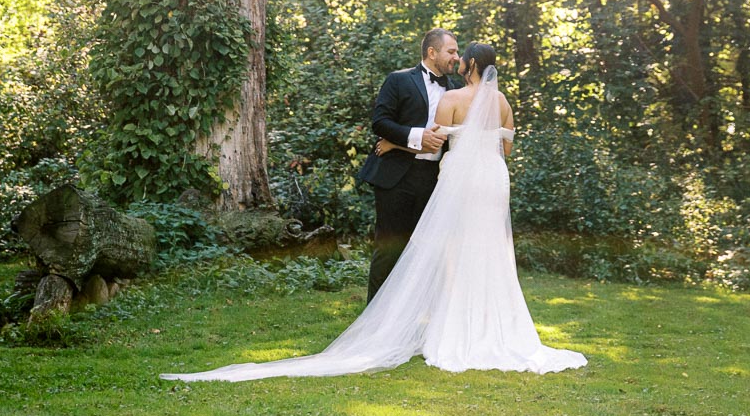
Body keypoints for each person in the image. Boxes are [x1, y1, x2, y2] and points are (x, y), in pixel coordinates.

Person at [160, 43, 587, 381]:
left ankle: (448, 329)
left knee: (449, 252)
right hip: (493, 177)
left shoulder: (454, 97)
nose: (456, 59)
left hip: (460, 177)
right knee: (488, 249)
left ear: (471, 63)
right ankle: (488, 327)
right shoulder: (504, 103)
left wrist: (402, 143)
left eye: (462, 55)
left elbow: (436, 139)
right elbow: (505, 147)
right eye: (450, 51)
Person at [356, 28, 460, 303]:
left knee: (428, 251)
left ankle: (418, 320)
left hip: (433, 179)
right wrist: (416, 137)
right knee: (389, 248)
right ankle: (373, 321)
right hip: (395, 178)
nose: (456, 58)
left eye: (457, 52)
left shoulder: (456, 90)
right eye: (451, 51)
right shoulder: (399, 80)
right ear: (431, 52)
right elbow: (380, 122)